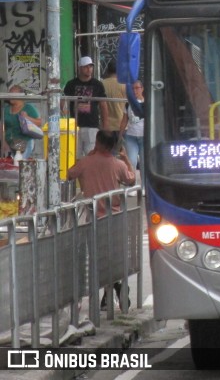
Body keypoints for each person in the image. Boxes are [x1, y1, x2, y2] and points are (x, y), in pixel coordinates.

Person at [67, 129, 136, 311]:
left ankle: (111, 292)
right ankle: (115, 290)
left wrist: (88, 157)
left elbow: (69, 173)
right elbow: (131, 180)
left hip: (94, 219)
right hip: (115, 219)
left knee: (99, 260)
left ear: (97, 142)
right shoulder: (118, 164)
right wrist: (126, 159)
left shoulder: (86, 162)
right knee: (114, 258)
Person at [63, 56, 108, 156]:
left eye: (91, 66)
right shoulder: (71, 84)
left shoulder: (98, 84)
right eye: (86, 67)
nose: (89, 69)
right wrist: (65, 118)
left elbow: (103, 106)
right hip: (74, 125)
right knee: (74, 155)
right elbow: (64, 102)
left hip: (92, 125)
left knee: (91, 155)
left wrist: (105, 127)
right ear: (80, 68)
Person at [1, 84, 43, 159]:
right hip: (9, 143)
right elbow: (1, 126)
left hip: (25, 142)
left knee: (20, 164)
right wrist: (3, 142)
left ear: (20, 95)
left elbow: (40, 122)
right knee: (11, 165)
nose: (10, 96)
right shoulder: (6, 109)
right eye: (9, 93)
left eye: (12, 94)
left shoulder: (28, 108)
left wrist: (27, 117)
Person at [119, 80, 144, 196]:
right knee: (131, 161)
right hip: (131, 136)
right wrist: (120, 134)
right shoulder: (128, 104)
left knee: (144, 163)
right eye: (133, 88)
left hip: (144, 137)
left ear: (142, 89)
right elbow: (124, 120)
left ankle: (144, 186)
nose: (135, 91)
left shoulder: (146, 103)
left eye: (137, 88)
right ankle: (132, 186)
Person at [102, 62, 126, 139]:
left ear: (108, 71)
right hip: (121, 124)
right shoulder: (124, 85)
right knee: (121, 149)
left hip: (105, 124)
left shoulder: (101, 84)